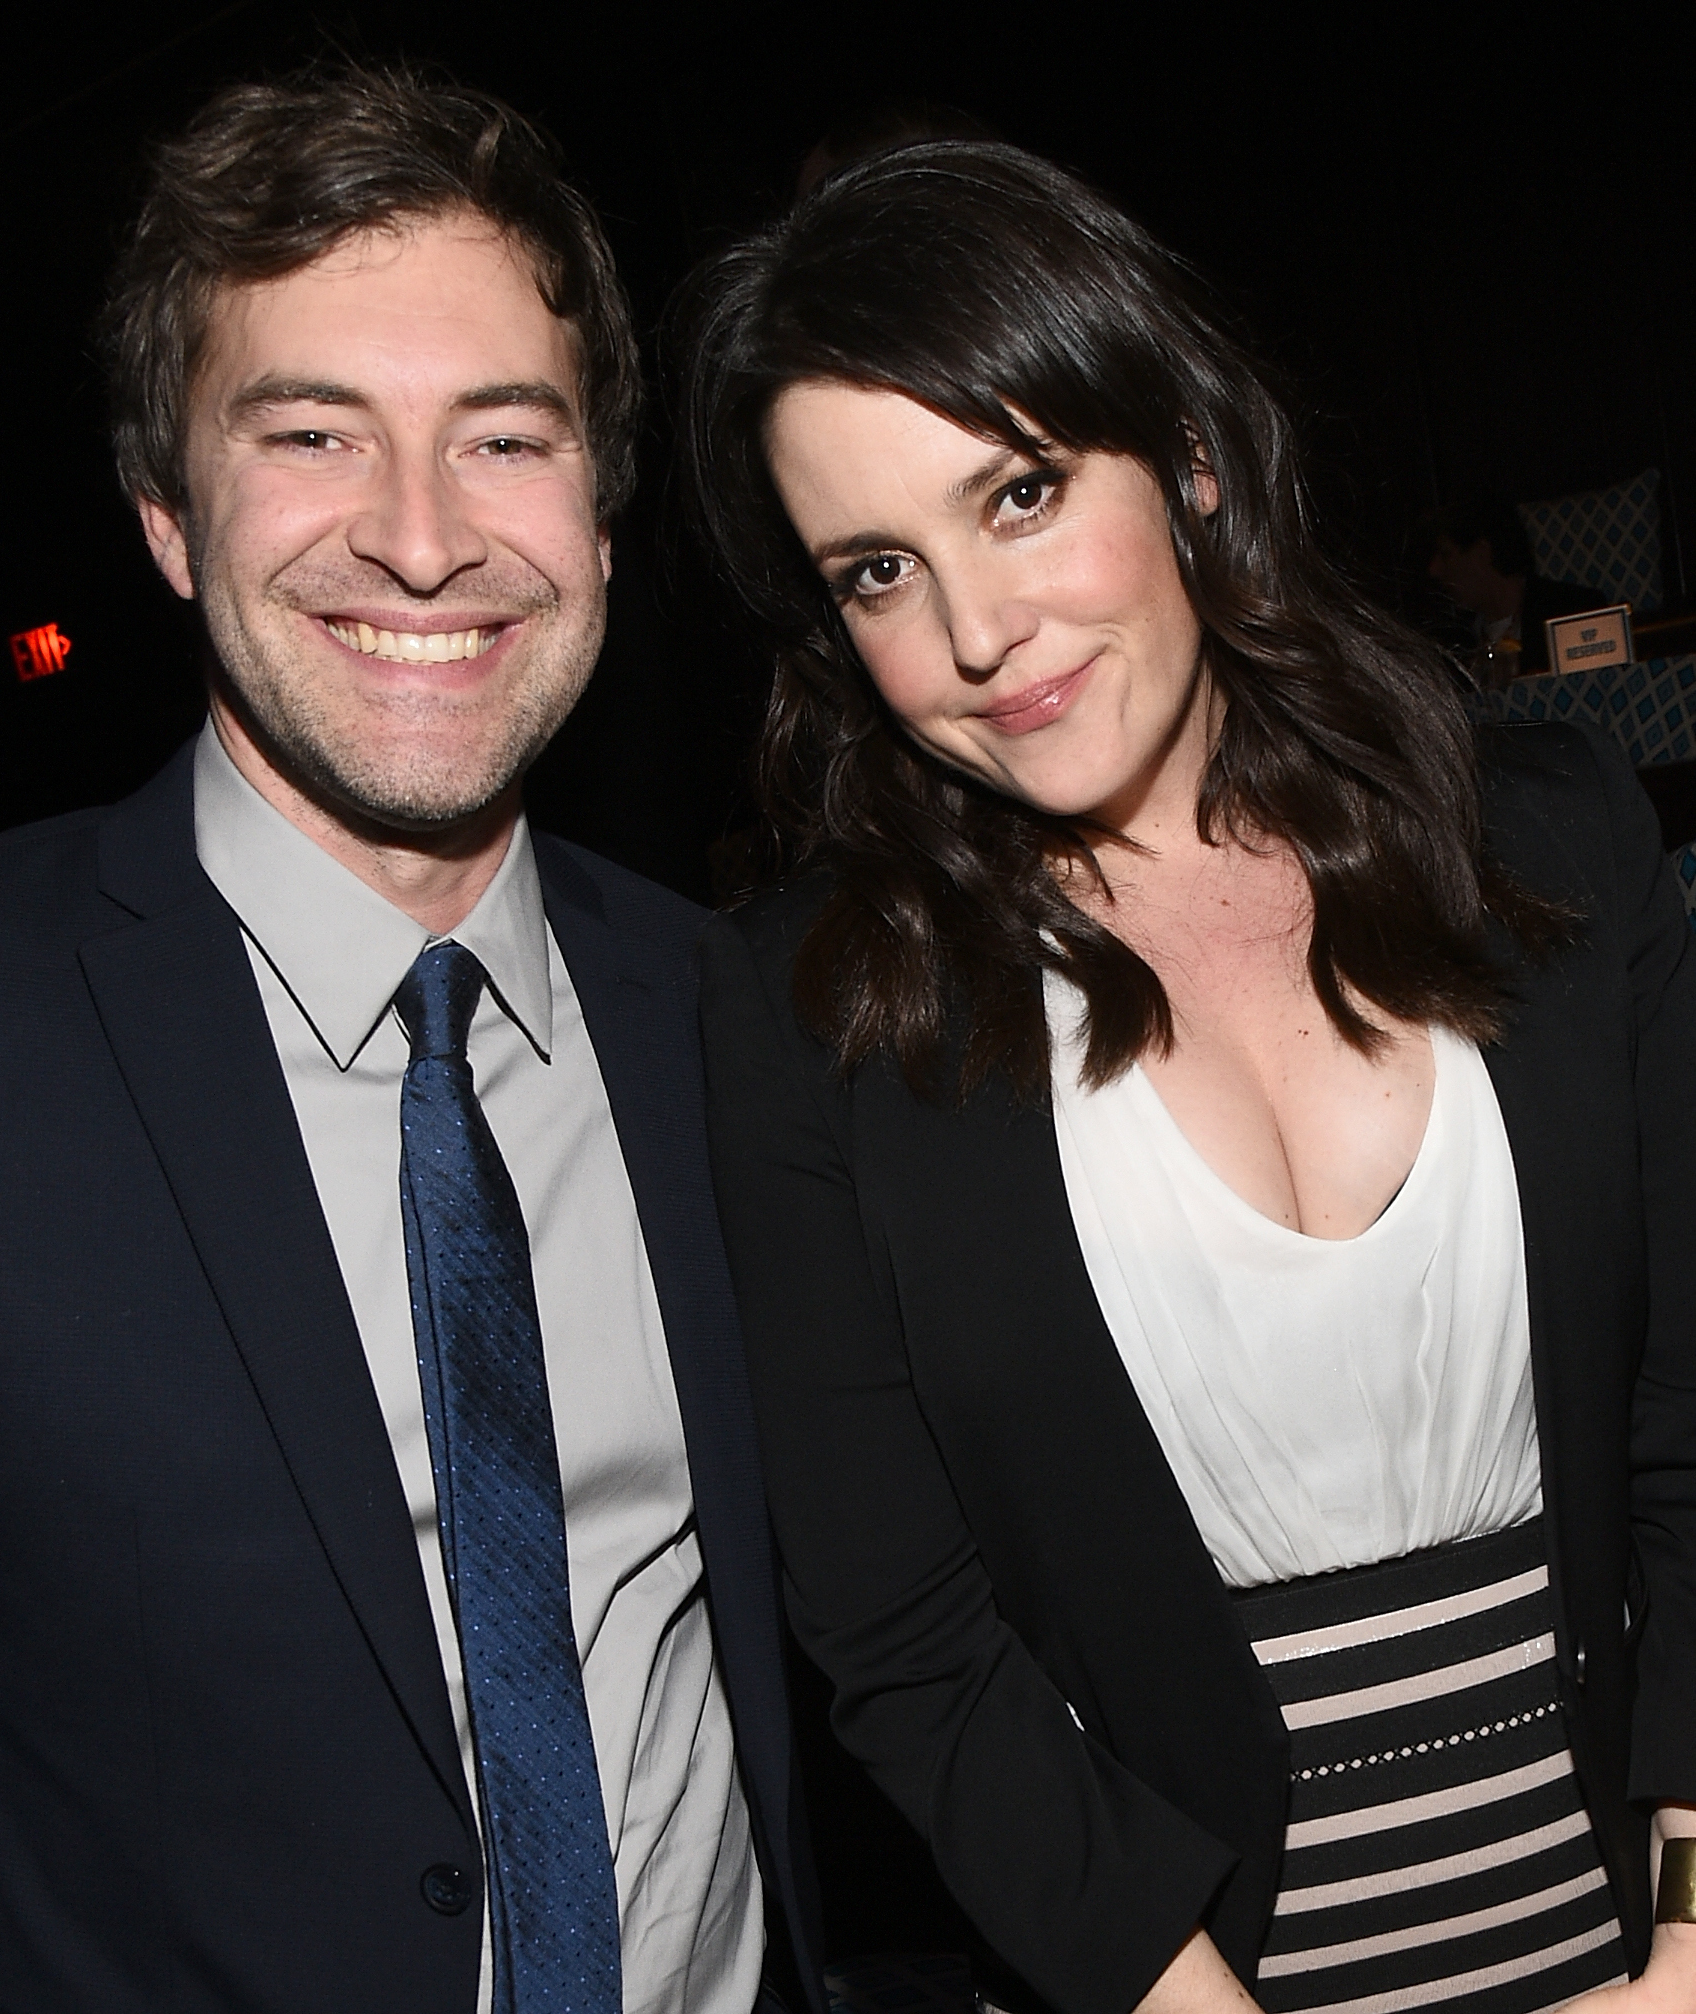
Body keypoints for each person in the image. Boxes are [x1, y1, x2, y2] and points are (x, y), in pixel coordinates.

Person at [0, 67, 822, 2014]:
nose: (422, 537)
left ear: (604, 524)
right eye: (310, 433)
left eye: (503, 438)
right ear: (167, 521)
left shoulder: (733, 1015)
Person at [679, 142, 1696, 2014]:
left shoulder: (1558, 841)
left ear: (1194, 462)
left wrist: (1693, 1936)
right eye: (880, 570)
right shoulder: (811, 1011)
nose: (977, 634)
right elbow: (905, 1642)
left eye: (1023, 489)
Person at [1421, 494, 1607, 675]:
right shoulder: (1449, 644)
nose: (1434, 570)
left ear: (1482, 554)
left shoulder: (1573, 614)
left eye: (1445, 555)